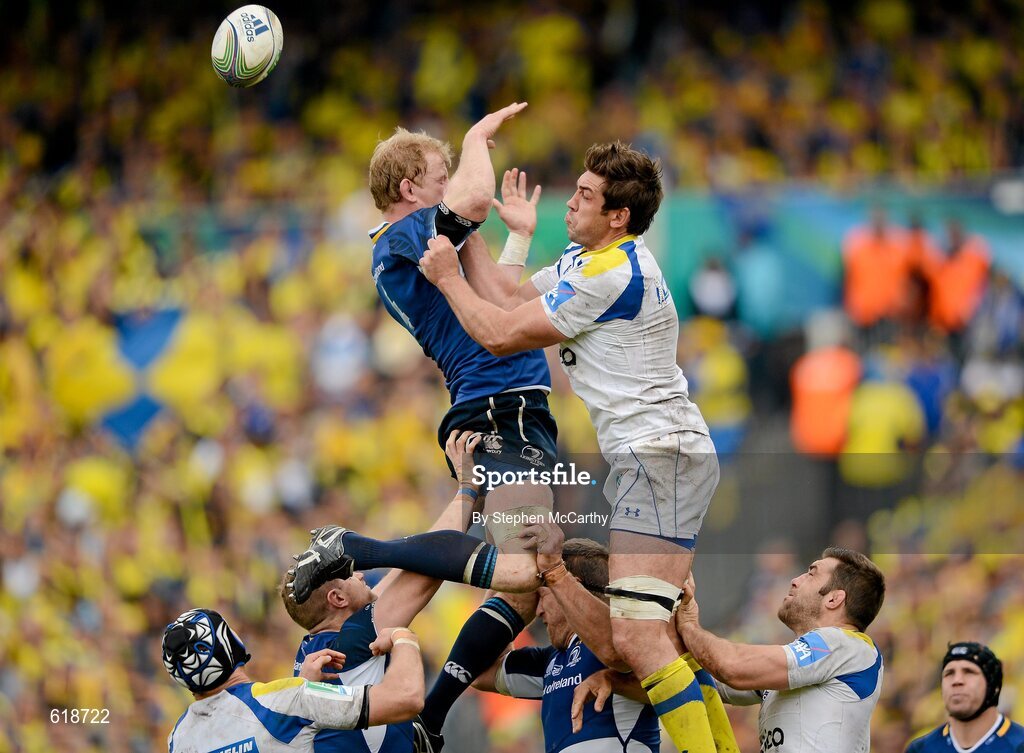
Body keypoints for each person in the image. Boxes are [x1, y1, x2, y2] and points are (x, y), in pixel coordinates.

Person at [418, 140, 727, 752]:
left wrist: (448, 275)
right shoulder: (591, 261)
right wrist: (472, 230)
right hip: (662, 453)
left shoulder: (610, 274)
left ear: (618, 216)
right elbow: (508, 297)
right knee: (642, 639)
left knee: (637, 641)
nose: (572, 203)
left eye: (586, 196)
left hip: (657, 453)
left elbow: (502, 336)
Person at [367, 105, 558, 748]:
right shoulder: (408, 236)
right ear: (409, 189)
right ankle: (436, 711)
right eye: (439, 173)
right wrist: (477, 137)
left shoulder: (425, 236)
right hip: (500, 407)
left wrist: (522, 238)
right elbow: (475, 196)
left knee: (534, 578)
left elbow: (499, 296)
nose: (451, 182)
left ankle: (443, 708)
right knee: (530, 571)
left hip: (508, 403)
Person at [651, 547, 886, 753]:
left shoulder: (846, 644)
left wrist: (690, 625)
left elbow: (733, 666)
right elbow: (702, 681)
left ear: (834, 599)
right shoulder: (809, 662)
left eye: (811, 573)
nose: (795, 580)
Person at [472, 536, 661, 753]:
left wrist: (615, 681)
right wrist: (504, 593)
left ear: (571, 589)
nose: (537, 610)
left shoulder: (629, 638)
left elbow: (676, 686)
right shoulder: (550, 661)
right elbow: (479, 670)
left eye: (541, 596)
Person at [162, 608, 424, 753]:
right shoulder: (285, 698)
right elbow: (406, 698)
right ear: (230, 644)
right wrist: (404, 639)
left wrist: (303, 686)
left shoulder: (178, 738)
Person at [905, 642, 1024, 752]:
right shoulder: (921, 749)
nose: (957, 681)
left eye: (969, 672)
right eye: (949, 673)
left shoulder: (1019, 745)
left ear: (993, 686)